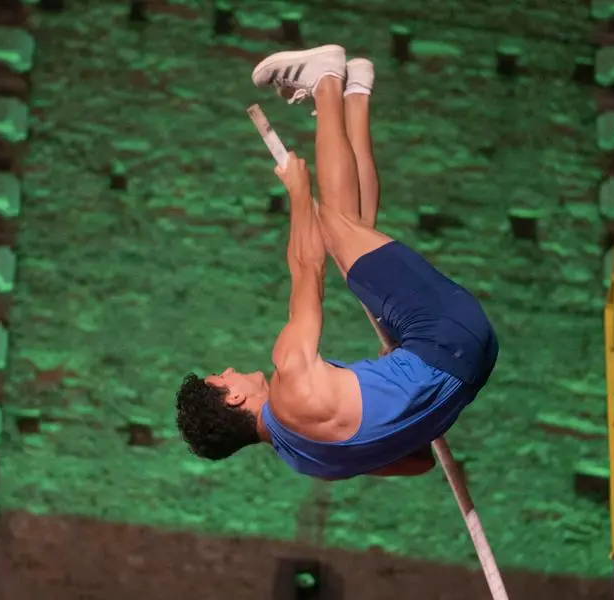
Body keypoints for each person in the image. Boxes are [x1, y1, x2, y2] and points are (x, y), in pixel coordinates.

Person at [176, 45, 499, 480]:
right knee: (334, 224)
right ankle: (326, 80)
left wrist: (402, 389)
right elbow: (307, 267)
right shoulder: (289, 376)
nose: (230, 369)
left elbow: (419, 461)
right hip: (442, 331)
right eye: (223, 377)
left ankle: (357, 92)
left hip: (471, 363)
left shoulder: (311, 463)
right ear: (233, 399)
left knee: (358, 251)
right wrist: (296, 192)